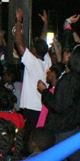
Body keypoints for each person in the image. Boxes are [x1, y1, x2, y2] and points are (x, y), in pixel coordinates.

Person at [13, 9, 51, 142]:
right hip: (42, 109)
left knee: (27, 141)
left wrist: (19, 20)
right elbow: (43, 42)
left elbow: (18, 42)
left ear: (34, 50)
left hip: (31, 109)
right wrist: (45, 23)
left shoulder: (33, 62)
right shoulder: (47, 61)